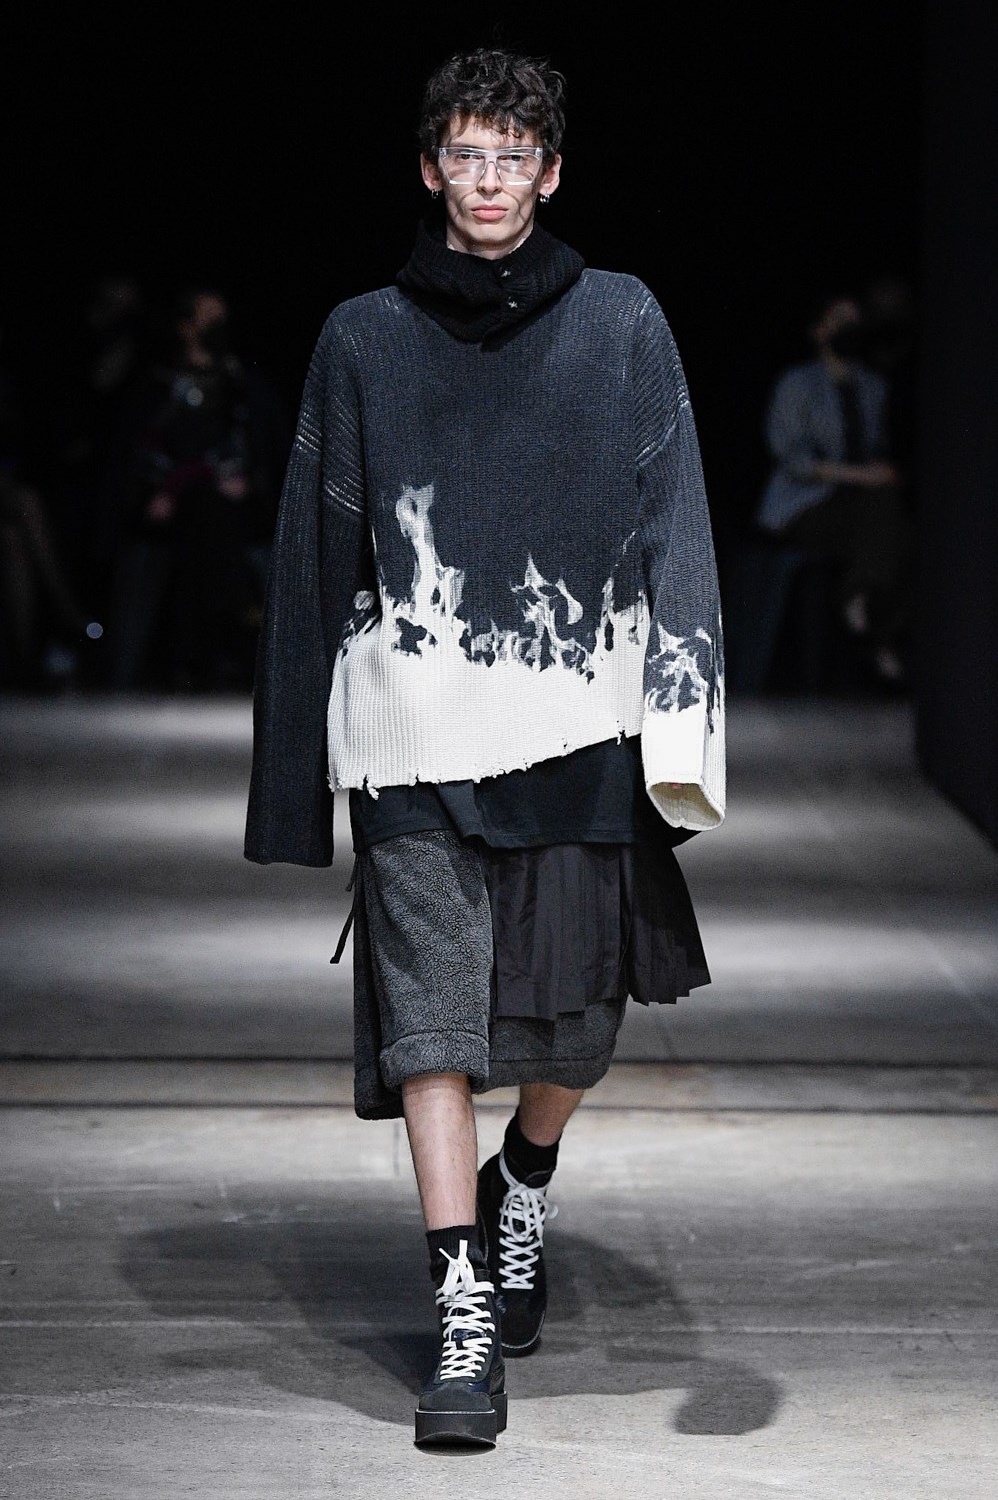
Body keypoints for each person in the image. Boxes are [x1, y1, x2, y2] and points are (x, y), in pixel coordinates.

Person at [245, 47, 725, 1448]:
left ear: (551, 172)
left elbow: (676, 511)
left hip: (577, 712)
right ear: (429, 168)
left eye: (513, 156)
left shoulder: (622, 319)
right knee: (433, 1022)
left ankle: (527, 1174)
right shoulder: (362, 337)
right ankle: (461, 1308)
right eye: (466, 154)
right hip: (408, 723)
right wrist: (292, 781)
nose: (489, 180)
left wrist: (685, 716)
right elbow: (313, 546)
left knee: (580, 1024)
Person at [755, 293, 908, 683]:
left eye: (855, 321)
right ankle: (875, 635)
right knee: (880, 519)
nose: (849, 329)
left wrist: (877, 472)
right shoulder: (798, 384)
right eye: (840, 320)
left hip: (860, 506)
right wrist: (864, 476)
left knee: (896, 524)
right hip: (805, 503)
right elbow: (794, 460)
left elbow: (875, 447)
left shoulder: (872, 387)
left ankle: (860, 600)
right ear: (819, 330)